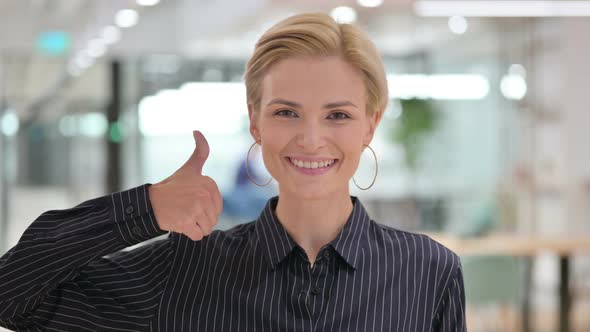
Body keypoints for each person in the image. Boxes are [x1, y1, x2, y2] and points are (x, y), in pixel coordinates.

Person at [0, 13, 465, 331]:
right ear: (255, 122)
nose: (310, 138)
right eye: (286, 112)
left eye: (337, 115)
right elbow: (13, 295)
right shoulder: (183, 269)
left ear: (372, 124)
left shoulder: (428, 272)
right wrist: (143, 208)